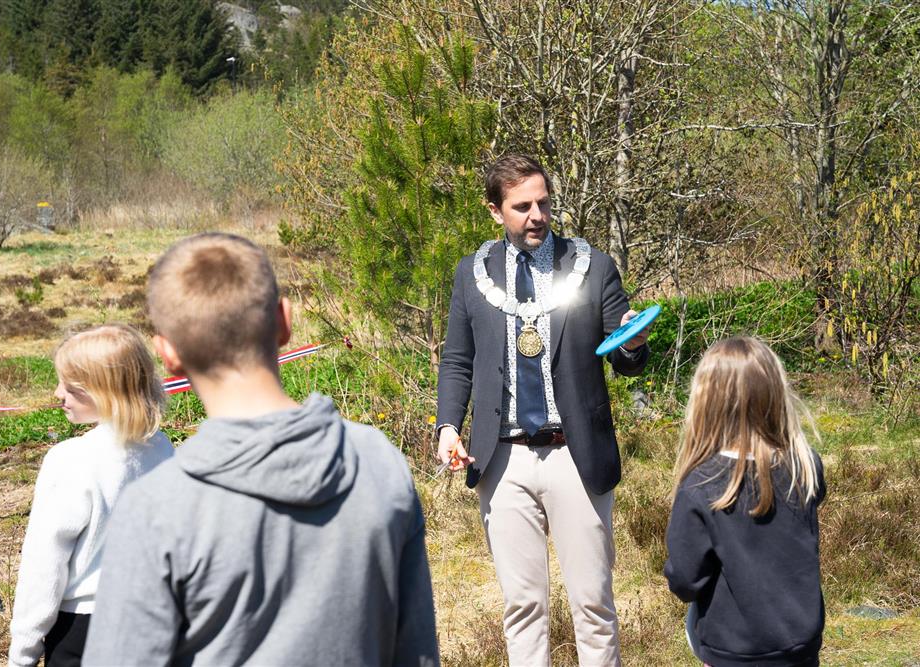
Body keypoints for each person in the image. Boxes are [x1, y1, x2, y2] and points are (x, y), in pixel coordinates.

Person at [82, 233, 439, 666]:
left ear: (167, 355)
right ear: (285, 322)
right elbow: (417, 651)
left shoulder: (154, 510)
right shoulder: (378, 461)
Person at [436, 154, 650, 666]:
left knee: (593, 604)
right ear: (495, 211)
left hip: (574, 454)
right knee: (523, 607)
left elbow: (625, 360)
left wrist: (634, 343)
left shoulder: (592, 266)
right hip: (502, 461)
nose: (537, 215)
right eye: (522, 206)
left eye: (544, 203)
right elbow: (457, 360)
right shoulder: (472, 275)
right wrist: (447, 426)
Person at [9, 324, 173, 667]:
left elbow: (44, 564)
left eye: (70, 386)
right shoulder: (163, 448)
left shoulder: (71, 459)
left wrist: (23, 652)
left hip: (83, 632)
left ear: (105, 390)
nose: (57, 393)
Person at [664, 337, 826, 667]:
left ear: (705, 402)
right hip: (801, 648)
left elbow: (684, 580)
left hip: (734, 652)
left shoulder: (701, 485)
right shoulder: (805, 467)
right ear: (775, 394)